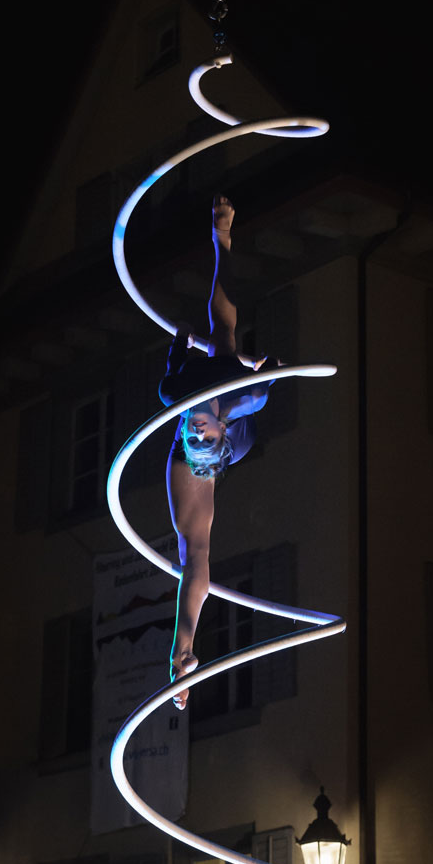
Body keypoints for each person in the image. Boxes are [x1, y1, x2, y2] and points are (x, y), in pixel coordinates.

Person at [161, 196, 279, 709]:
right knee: (226, 339)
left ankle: (220, 238)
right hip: (234, 414)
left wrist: (179, 346)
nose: (195, 432)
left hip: (196, 403)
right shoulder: (238, 403)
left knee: (222, 336)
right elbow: (198, 563)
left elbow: (171, 375)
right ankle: (224, 239)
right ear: (220, 431)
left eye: (194, 434)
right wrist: (269, 369)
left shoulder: (177, 399)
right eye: (203, 435)